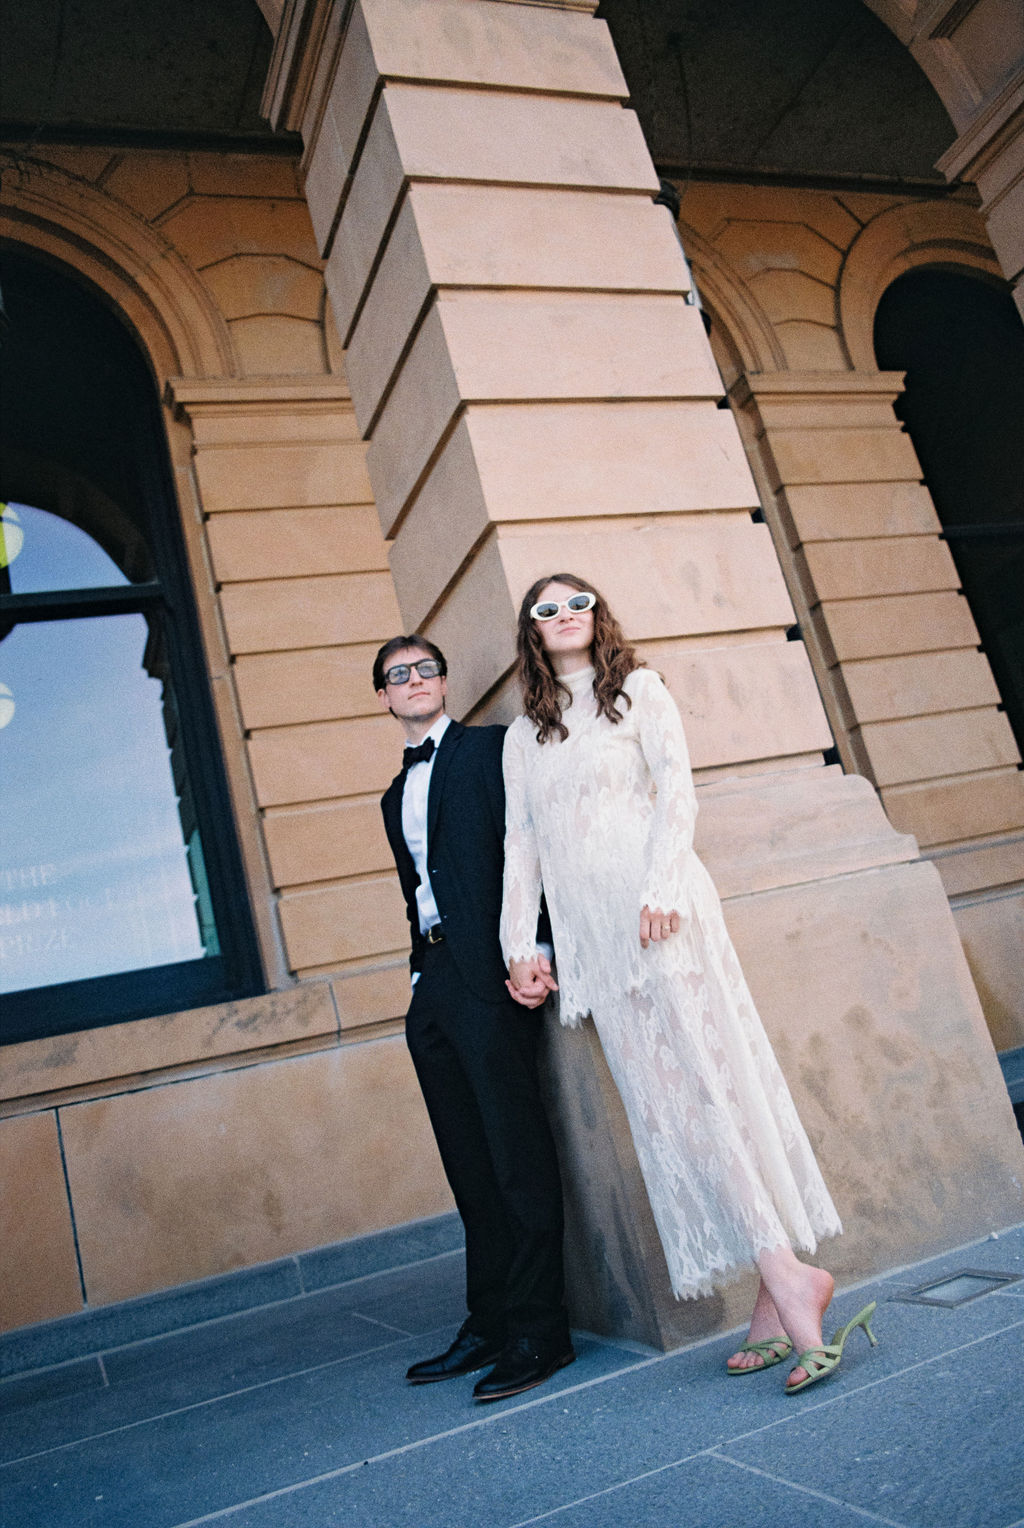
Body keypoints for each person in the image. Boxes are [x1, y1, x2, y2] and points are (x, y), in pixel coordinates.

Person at [501, 575, 877, 1394]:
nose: (565, 617)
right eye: (546, 608)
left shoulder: (637, 690)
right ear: (530, 630)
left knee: (714, 1093)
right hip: (596, 946)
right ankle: (779, 1292)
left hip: (663, 920)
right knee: (669, 1118)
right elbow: (521, 842)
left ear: (599, 614)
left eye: (578, 603)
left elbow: (677, 791)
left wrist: (664, 887)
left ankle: (787, 1283)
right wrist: (516, 947)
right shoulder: (525, 736)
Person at [374, 634, 574, 1402]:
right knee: (469, 1165)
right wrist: (421, 974)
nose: (416, 679)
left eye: (426, 667)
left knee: (515, 1156)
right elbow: (417, 889)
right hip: (432, 986)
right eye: (400, 674)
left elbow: (533, 847)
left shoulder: (491, 751)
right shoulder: (393, 798)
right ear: (384, 697)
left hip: (493, 976)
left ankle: (538, 1331)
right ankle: (489, 1319)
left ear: (443, 681)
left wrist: (540, 945)